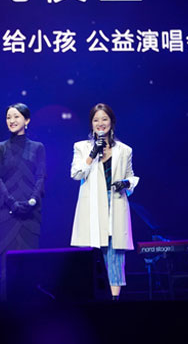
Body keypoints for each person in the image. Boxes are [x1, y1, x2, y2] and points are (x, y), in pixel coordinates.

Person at [70, 103, 139, 300]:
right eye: (96, 120)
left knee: (115, 255)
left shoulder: (125, 150)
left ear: (112, 122)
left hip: (115, 204)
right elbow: (76, 174)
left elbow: (131, 177)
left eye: (104, 119)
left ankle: (114, 302)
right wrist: (93, 153)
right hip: (92, 206)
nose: (100, 123)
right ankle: (91, 300)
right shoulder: (81, 147)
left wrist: (126, 183)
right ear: (91, 123)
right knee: (91, 254)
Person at [0, 103, 45, 294]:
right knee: (7, 263)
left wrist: (32, 201)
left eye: (16, 116)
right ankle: (6, 306)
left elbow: (41, 176)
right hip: (6, 211)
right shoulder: (0, 148)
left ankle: (30, 305)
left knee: (30, 263)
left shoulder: (37, 147)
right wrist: (11, 203)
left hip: (31, 212)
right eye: (8, 117)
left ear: (27, 120)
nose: (12, 121)